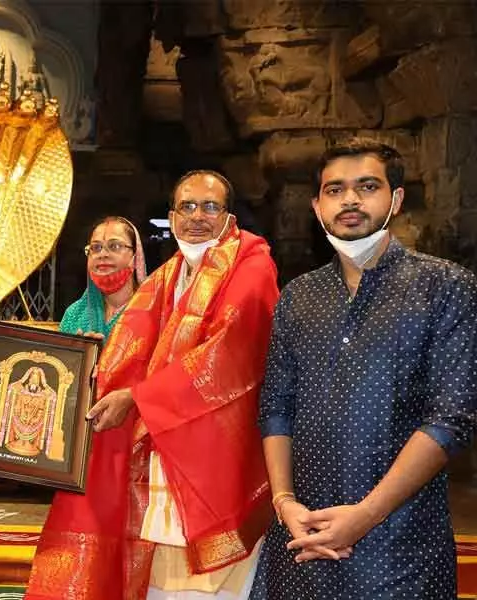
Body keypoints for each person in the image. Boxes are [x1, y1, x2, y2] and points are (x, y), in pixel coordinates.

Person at [25, 171, 279, 599]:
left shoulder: (252, 266)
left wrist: (138, 397)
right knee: (157, 583)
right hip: (159, 458)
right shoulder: (168, 278)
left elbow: (227, 357)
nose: (198, 217)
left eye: (210, 207)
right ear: (172, 216)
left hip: (214, 464)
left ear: (229, 217)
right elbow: (130, 357)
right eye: (187, 207)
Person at [251, 140, 477, 599]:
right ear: (317, 207)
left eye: (367, 186)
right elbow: (276, 406)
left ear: (394, 199)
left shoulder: (446, 287)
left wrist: (365, 515)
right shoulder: (299, 296)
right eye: (335, 190)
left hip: (399, 546)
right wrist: (284, 501)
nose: (350, 200)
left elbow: (452, 419)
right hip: (301, 536)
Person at [59, 215, 146, 341]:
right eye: (95, 248)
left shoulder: (150, 312)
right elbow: (60, 359)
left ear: (135, 256)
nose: (103, 254)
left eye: (115, 246)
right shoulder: (74, 314)